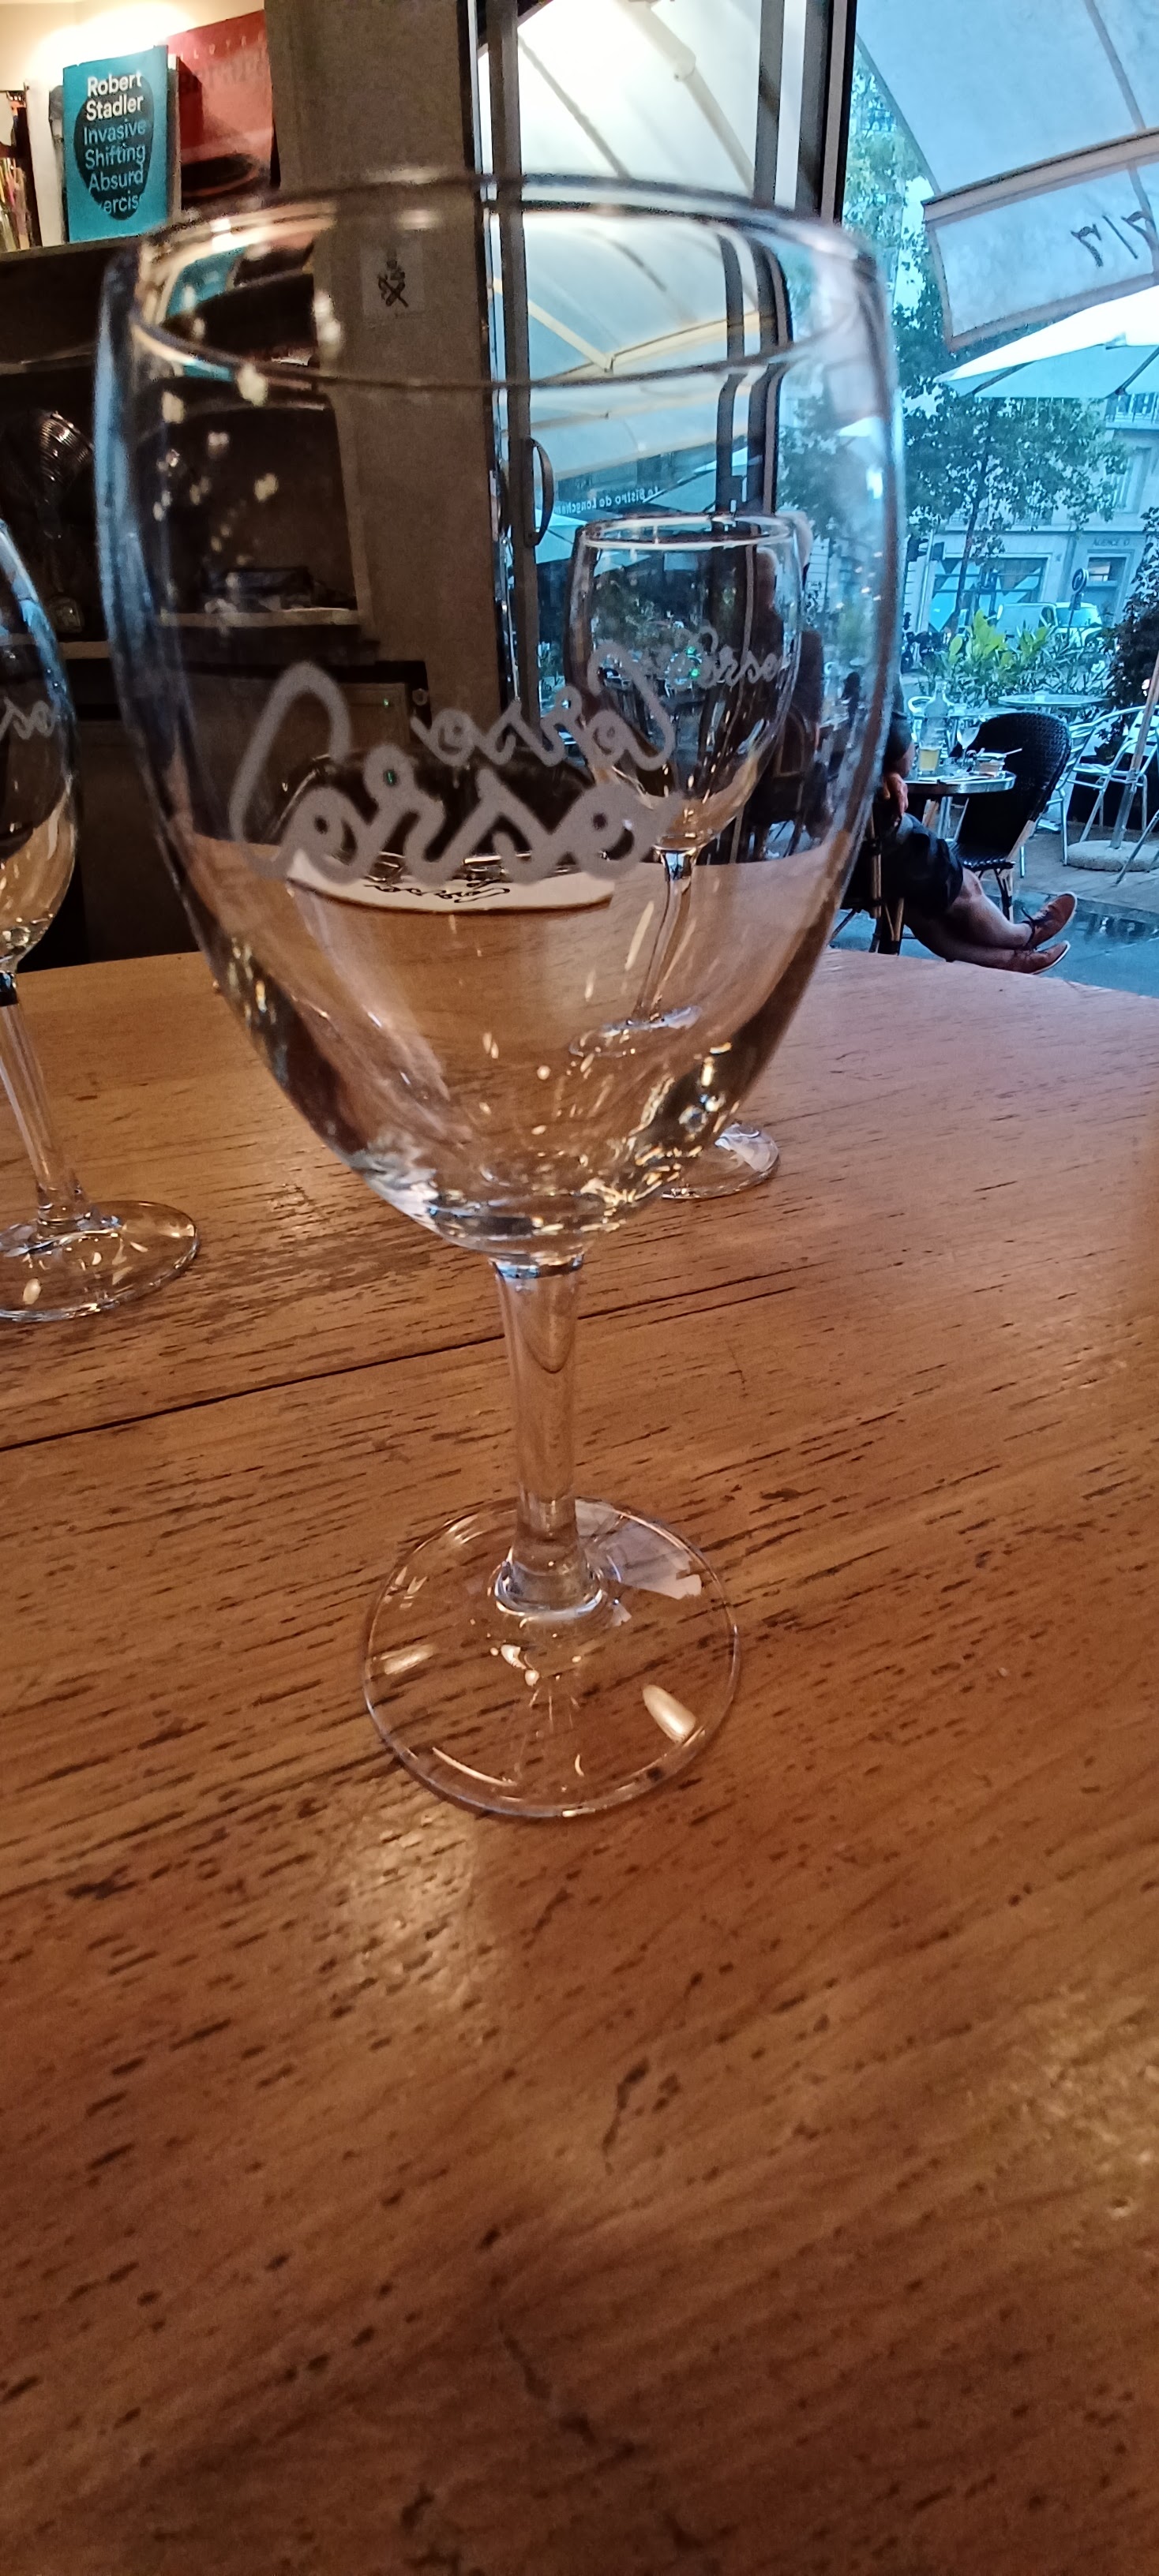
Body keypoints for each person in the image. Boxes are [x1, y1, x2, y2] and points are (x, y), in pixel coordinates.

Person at [848, 681, 1074, 972]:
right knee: (963, 884)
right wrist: (890, 769)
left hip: (814, 860)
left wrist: (880, 773)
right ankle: (1023, 936)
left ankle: (1010, 961)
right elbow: (902, 758)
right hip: (862, 849)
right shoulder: (873, 670)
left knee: (918, 904)